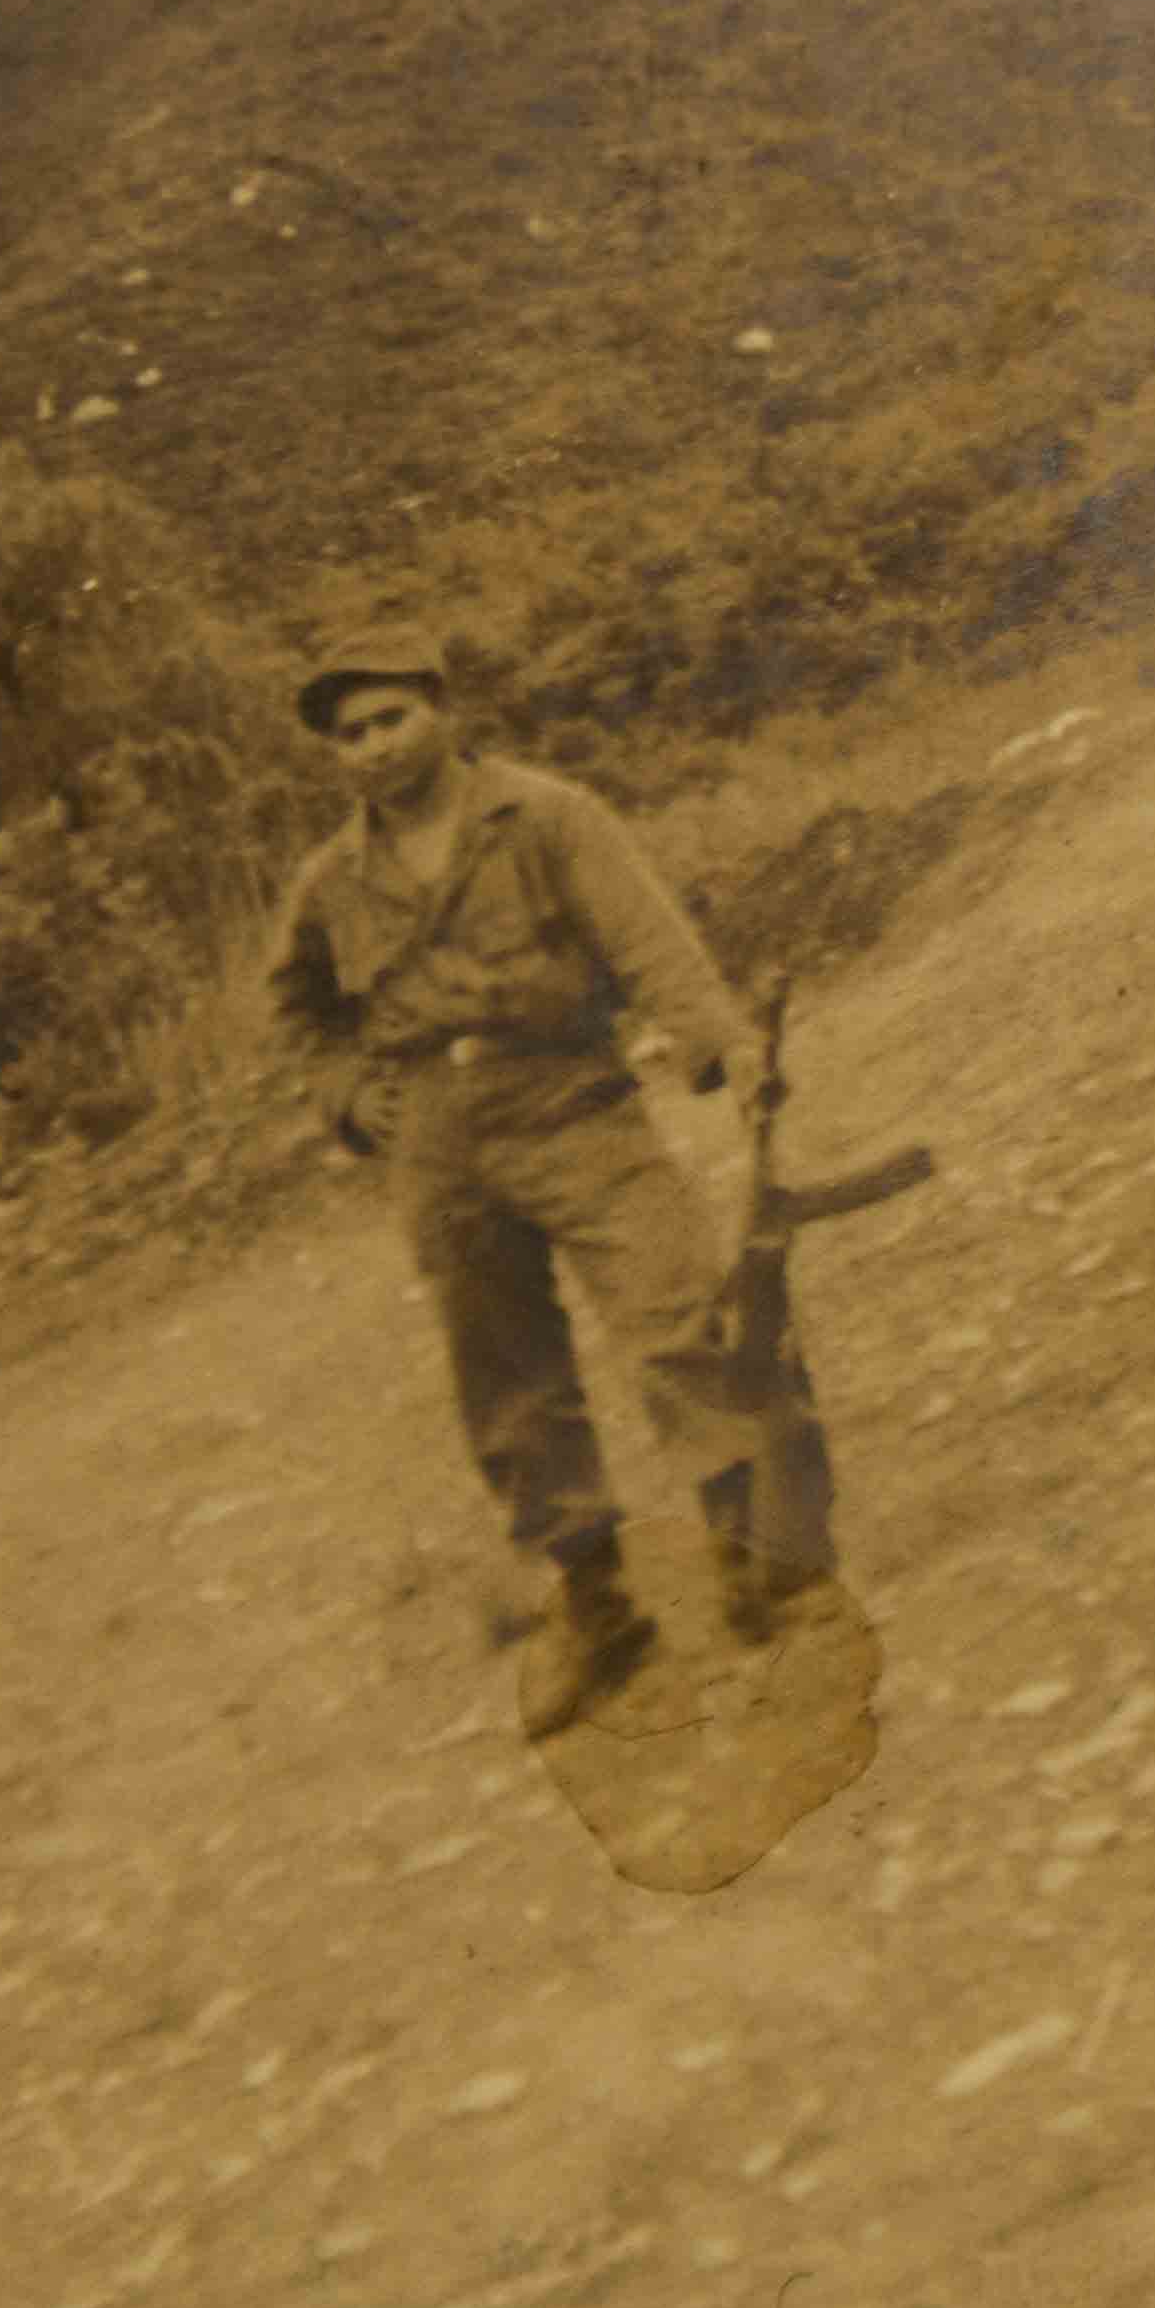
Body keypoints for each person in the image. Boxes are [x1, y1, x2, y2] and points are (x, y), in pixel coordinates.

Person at [266, 627, 826, 1738]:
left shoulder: (548, 815)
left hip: (572, 1106)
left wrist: (722, 1041)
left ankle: (762, 1563)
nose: (373, 746)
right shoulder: (332, 882)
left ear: (440, 710)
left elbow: (645, 935)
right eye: (350, 734)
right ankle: (600, 1607)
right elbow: (298, 1014)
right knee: (510, 1385)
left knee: (679, 1324)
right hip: (437, 1145)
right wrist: (344, 1094)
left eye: (390, 717)